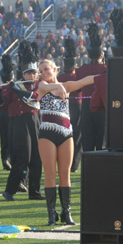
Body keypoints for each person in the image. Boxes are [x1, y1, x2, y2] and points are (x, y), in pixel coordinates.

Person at [37, 59, 95, 226]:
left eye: (46, 69)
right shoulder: (42, 86)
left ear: (55, 69)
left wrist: (104, 75)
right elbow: (47, 87)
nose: (44, 73)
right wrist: (60, 86)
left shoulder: (67, 85)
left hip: (66, 133)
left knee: (65, 174)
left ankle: (66, 212)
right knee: (49, 174)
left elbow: (84, 81)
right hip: (47, 133)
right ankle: (51, 213)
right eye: (41, 71)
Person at [2, 41, 44, 201]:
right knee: (22, 157)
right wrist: (5, 89)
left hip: (35, 121)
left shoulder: (39, 85)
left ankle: (34, 191)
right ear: (23, 73)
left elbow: (36, 98)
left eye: (34, 73)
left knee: (37, 158)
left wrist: (17, 91)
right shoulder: (15, 86)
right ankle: (10, 190)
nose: (32, 76)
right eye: (28, 73)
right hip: (19, 124)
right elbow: (2, 105)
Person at [76, 23, 106, 152]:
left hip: (86, 106)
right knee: (101, 140)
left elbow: (77, 89)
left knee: (87, 140)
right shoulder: (106, 69)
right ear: (101, 56)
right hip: (102, 106)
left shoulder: (81, 70)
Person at [57, 37, 83, 172]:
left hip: (63, 107)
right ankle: (74, 164)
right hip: (76, 106)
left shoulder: (60, 77)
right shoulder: (77, 76)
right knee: (77, 135)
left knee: (65, 134)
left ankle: (64, 162)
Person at [0, 54, 14, 171]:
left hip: (1, 115)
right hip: (11, 114)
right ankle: (9, 159)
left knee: (4, 139)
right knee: (13, 138)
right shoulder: (14, 87)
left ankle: (4, 161)